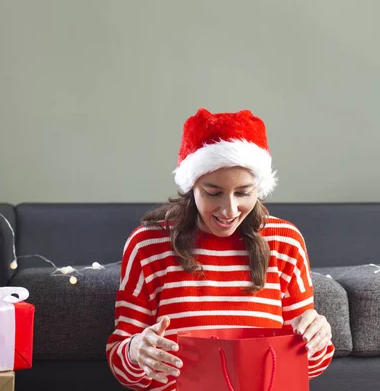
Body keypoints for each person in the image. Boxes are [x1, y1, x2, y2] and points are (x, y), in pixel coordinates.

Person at [106, 108, 334, 390]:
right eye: (213, 192)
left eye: (244, 192)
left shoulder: (285, 241)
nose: (229, 209)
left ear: (259, 188)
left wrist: (317, 340)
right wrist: (135, 351)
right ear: (192, 185)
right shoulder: (148, 244)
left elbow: (308, 368)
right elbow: (121, 365)